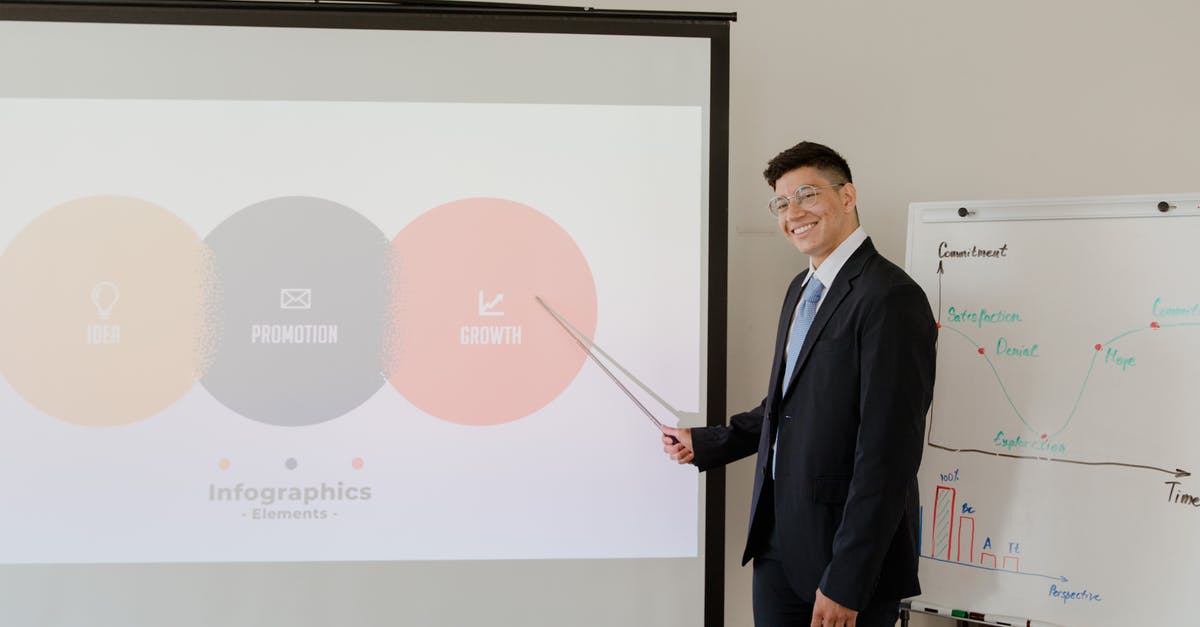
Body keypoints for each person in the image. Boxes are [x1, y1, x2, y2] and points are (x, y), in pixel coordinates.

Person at [663, 141, 937, 627]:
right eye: (781, 203)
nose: (793, 213)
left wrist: (847, 578)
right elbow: (789, 401)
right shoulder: (801, 288)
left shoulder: (890, 297)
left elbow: (889, 455)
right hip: (778, 545)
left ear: (847, 195)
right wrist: (709, 442)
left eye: (807, 195)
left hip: (843, 562)